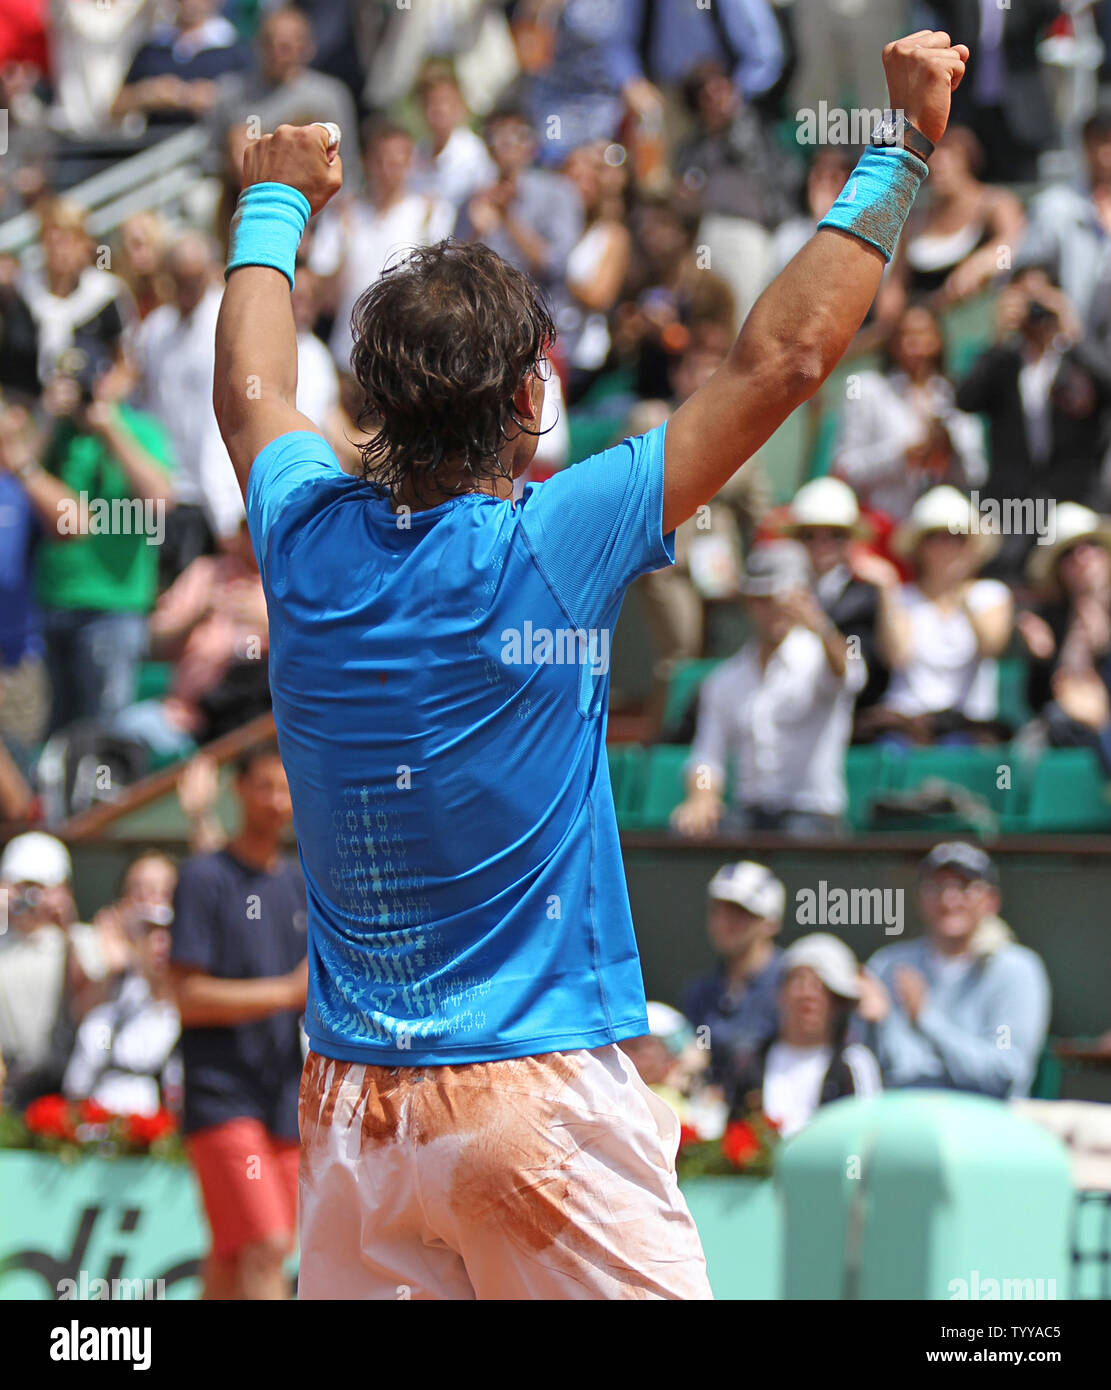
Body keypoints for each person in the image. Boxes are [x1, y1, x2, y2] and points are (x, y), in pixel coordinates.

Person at [210, 31, 968, 1299]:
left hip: (353, 1120)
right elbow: (783, 362)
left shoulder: (299, 532)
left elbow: (247, 389)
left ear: (379, 407)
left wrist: (273, 196)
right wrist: (901, 147)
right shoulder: (553, 539)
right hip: (535, 1098)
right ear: (529, 401)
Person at [169, 742, 308, 1301]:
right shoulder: (203, 878)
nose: (276, 801)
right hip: (221, 1095)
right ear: (239, 790)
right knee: (268, 1244)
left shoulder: (298, 882)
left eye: (286, 789)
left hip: (282, 1095)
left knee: (233, 1258)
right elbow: (186, 996)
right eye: (265, 787)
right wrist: (285, 992)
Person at [672, 542, 865, 837]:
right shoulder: (724, 679)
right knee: (692, 832)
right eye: (762, 599)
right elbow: (706, 757)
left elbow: (849, 675)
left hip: (813, 816)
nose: (773, 609)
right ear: (748, 604)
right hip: (750, 816)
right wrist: (702, 797)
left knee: (799, 833)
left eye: (782, 598)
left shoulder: (819, 658)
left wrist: (820, 625)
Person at [34, 350, 175, 736]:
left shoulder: (138, 429)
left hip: (114, 607)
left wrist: (110, 427)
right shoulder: (57, 433)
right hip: (53, 600)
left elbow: (160, 500)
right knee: (52, 733)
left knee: (105, 732)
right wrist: (46, 417)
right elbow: (15, 471)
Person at [863, 843, 1050, 1098]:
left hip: (982, 1122)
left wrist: (925, 1019)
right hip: (899, 1117)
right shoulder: (887, 964)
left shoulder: (1014, 972)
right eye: (936, 887)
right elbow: (871, 1067)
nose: (948, 900)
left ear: (990, 901)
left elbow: (1003, 1070)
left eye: (963, 887)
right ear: (920, 898)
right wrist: (869, 1025)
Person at [955, 266, 1111, 567]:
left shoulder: (1076, 358)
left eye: (1042, 298)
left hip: (1077, 497)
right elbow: (966, 400)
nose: (1035, 308)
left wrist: (1074, 333)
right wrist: (997, 337)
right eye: (1025, 299)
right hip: (1014, 507)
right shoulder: (1003, 363)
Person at [134, 231, 244, 575]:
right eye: (179, 279)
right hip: (166, 493)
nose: (187, 289)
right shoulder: (154, 331)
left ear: (211, 272)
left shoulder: (229, 322)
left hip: (215, 495)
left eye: (194, 279)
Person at [867, 486, 1012, 745]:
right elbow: (896, 656)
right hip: (905, 723)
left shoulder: (990, 594)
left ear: (971, 547)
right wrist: (887, 588)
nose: (946, 546)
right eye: (936, 537)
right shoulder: (901, 597)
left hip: (966, 726)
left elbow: (992, 646)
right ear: (920, 547)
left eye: (957, 537)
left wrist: (960, 591)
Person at [308, 117, 454, 374]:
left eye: (398, 161)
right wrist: (344, 241)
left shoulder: (432, 213)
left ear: (411, 163)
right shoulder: (342, 215)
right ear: (366, 161)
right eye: (381, 160)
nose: (389, 169)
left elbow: (441, 291)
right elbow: (325, 301)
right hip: (349, 355)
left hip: (410, 360)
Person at [832, 304, 987, 522]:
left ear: (939, 339)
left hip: (940, 531)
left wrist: (948, 449)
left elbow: (975, 473)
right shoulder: (868, 390)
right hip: (883, 525)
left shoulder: (955, 394)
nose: (915, 344)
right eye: (906, 335)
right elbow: (845, 468)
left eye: (923, 334)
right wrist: (902, 455)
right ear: (891, 342)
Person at [0, 833, 117, 1107]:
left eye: (39, 887)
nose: (29, 898)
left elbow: (90, 998)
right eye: (21, 887)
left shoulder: (84, 940)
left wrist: (66, 925)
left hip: (62, 1084)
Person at [725, 933, 882, 1137]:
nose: (809, 995)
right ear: (779, 994)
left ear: (838, 1003)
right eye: (799, 981)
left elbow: (866, 1138)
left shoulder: (855, 1063)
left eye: (822, 987)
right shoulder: (749, 1062)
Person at [62, 859, 181, 1119]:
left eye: (169, 931)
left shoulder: (196, 1019)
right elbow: (76, 1091)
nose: (160, 942)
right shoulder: (105, 1019)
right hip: (103, 1145)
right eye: (149, 931)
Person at [779, 475, 895, 720]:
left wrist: (817, 625)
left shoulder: (867, 595)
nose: (822, 544)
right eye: (809, 535)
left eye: (835, 534)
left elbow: (858, 675)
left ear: (851, 540)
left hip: (855, 725)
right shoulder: (785, 590)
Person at [1017, 502, 1111, 770]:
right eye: (1069, 553)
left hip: (1101, 727)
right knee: (1039, 737)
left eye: (1092, 545)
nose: (1082, 557)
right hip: (1068, 731)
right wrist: (1043, 660)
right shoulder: (1052, 619)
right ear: (1058, 569)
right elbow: (1037, 703)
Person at [680, 862, 785, 1085]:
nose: (724, 922)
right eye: (718, 911)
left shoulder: (791, 986)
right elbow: (702, 1045)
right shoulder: (700, 993)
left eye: (740, 912)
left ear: (770, 922)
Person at [112, 0, 251, 131]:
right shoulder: (152, 48)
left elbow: (255, 105)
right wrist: (147, 93)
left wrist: (217, 98)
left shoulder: (236, 50)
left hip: (213, 149)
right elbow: (115, 107)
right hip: (158, 146)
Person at [410, 62, 497, 212]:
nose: (439, 110)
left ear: (460, 105)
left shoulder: (474, 152)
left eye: (445, 102)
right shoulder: (416, 154)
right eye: (430, 103)